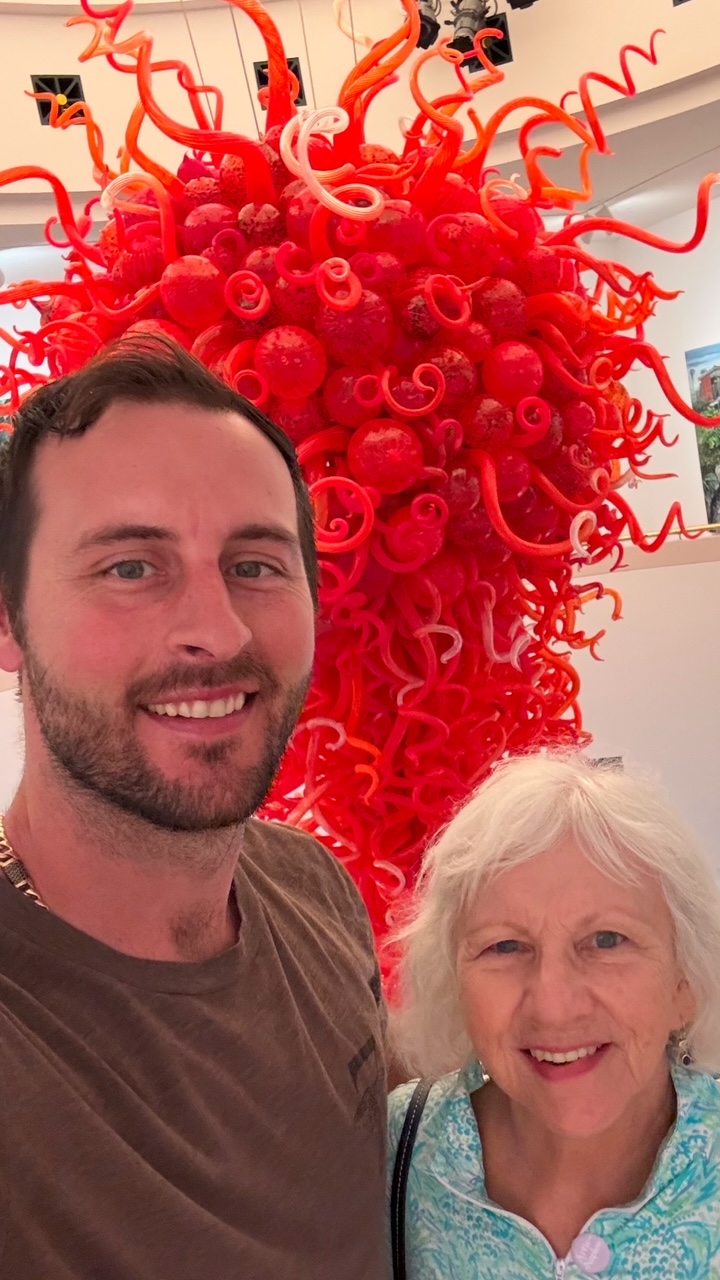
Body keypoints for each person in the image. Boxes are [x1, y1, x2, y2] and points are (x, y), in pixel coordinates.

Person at [0, 338, 388, 1279]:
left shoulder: (315, 891)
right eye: (131, 568)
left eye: (256, 564)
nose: (215, 631)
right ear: (7, 625)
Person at [388, 754, 720, 1279]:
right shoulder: (389, 1155)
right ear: (453, 982)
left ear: (685, 983)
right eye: (505, 946)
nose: (554, 1004)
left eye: (606, 940)